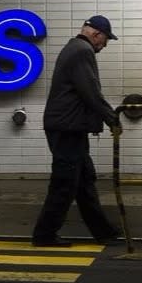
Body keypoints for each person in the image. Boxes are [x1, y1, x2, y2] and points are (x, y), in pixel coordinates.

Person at [32, 15, 123, 247]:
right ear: (96, 34)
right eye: (105, 40)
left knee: (84, 181)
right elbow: (90, 92)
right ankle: (44, 235)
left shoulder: (74, 48)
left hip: (69, 127)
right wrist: (112, 119)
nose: (104, 46)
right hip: (67, 128)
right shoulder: (83, 51)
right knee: (65, 183)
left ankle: (104, 233)